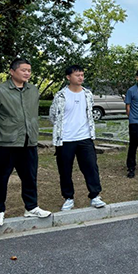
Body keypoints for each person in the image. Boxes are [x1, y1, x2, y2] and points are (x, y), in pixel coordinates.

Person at [0, 58, 51, 227]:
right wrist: (4, 128)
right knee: (1, 178)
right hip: (5, 143)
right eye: (23, 70)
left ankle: (31, 207)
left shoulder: (33, 90)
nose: (27, 73)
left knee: (30, 176)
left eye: (29, 70)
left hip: (28, 142)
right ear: (12, 71)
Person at [50, 65, 106, 211]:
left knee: (91, 167)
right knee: (65, 170)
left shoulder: (87, 94)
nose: (80, 77)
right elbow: (53, 116)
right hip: (65, 139)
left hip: (85, 137)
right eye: (77, 75)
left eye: (82, 75)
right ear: (68, 77)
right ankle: (68, 197)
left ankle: (95, 195)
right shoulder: (60, 95)